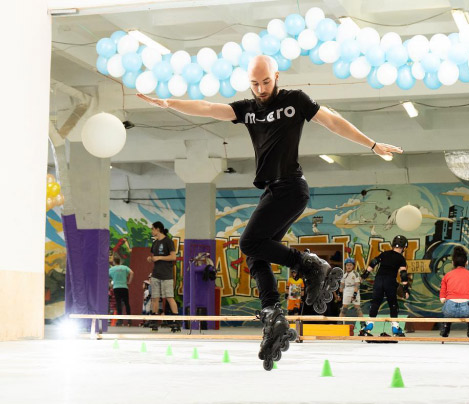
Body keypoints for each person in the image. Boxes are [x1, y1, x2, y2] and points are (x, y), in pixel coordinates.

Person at [138, 55, 403, 369]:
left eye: (266, 82)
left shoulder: (295, 101)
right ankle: (273, 315)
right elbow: (208, 108)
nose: (261, 89)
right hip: (274, 190)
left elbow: (331, 120)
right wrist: (169, 103)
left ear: (276, 76)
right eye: (255, 84)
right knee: (256, 255)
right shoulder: (247, 109)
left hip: (291, 187)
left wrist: (371, 144)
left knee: (248, 243)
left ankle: (311, 265)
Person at [359, 235, 410, 338]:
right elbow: (403, 274)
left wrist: (365, 275)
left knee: (375, 303)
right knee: (393, 304)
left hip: (378, 280)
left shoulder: (384, 253)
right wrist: (405, 290)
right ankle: (395, 328)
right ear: (404, 247)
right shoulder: (401, 258)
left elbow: (373, 262)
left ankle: (368, 327)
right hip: (390, 281)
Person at [439, 246, 469, 340]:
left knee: (446, 309)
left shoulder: (446, 276)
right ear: (466, 262)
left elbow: (442, 300)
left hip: (450, 310)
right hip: (468, 310)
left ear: (452, 263)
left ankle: (446, 326)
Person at [147, 221, 179, 332]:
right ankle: (154, 320)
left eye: (152, 229)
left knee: (169, 297)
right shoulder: (155, 243)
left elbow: (173, 257)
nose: (152, 231)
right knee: (154, 298)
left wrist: (159, 258)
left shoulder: (168, 241)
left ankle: (176, 321)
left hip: (167, 275)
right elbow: (154, 256)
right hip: (156, 274)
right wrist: (151, 259)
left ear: (158, 229)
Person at [108, 256, 134, 326]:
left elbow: (107, 276)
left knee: (118, 304)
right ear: (119, 261)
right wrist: (129, 281)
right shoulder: (124, 267)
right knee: (126, 303)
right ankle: (129, 320)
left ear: (114, 262)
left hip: (116, 288)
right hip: (124, 287)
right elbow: (132, 273)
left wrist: (110, 284)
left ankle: (120, 320)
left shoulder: (111, 269)